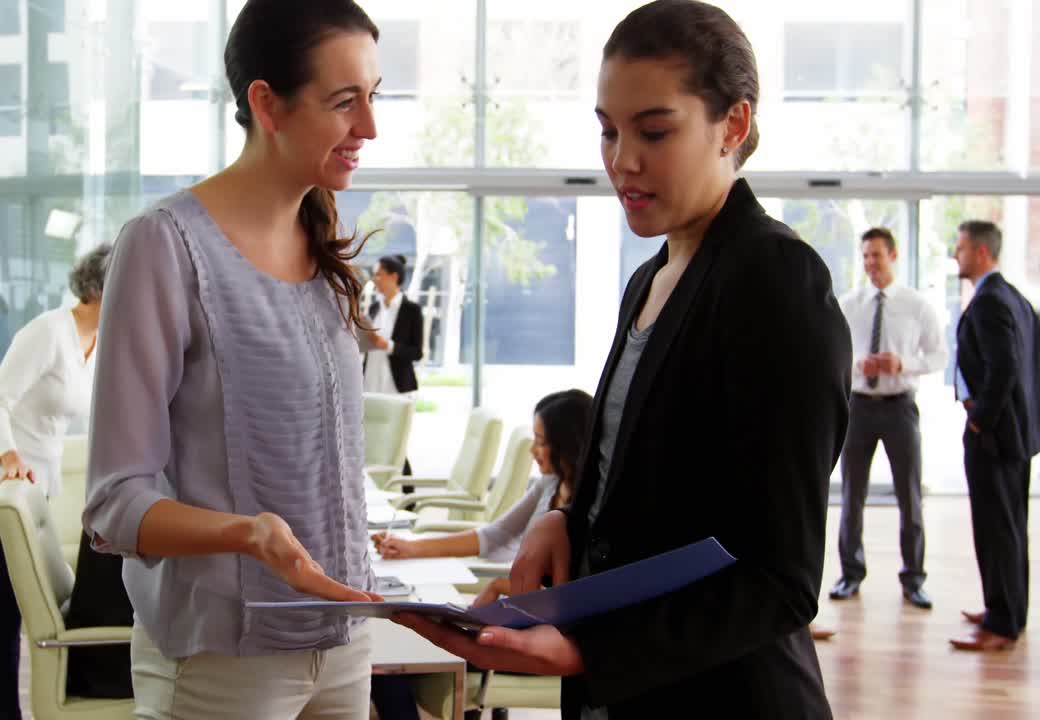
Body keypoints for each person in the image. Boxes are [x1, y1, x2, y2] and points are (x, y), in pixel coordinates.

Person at [391, 2, 851, 717]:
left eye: (654, 131)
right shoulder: (651, 277)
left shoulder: (773, 280)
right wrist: (564, 520)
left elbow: (780, 577)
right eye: (608, 130)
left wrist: (593, 650)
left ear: (732, 124)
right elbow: (645, 489)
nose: (621, 160)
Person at [80, 2, 384, 718]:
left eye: (374, 96)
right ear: (267, 104)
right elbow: (112, 503)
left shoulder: (324, 241)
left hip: (343, 644)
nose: (369, 126)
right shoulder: (163, 247)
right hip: (222, 659)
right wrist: (247, 533)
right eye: (345, 102)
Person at [0, 244, 110, 720]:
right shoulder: (48, 332)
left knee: (35, 607)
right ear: (99, 289)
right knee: (4, 612)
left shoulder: (100, 343)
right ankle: (4, 714)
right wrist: (10, 457)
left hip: (37, 488)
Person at [372, 389, 594, 608]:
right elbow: (495, 535)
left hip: (541, 617)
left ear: (567, 446)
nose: (532, 450)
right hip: (521, 605)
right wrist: (410, 548)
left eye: (541, 442)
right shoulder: (550, 484)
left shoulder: (589, 507)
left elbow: (565, 598)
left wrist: (499, 586)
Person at [830, 227, 947, 609]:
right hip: (859, 406)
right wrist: (855, 365)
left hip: (899, 406)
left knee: (910, 497)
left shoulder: (916, 305)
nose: (869, 263)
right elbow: (832, 355)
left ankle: (914, 579)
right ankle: (850, 574)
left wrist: (903, 364)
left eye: (876, 256)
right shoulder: (849, 304)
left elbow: (938, 357)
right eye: (865, 256)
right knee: (852, 496)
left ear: (893, 256)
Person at [949, 220, 1038, 652]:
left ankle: (1001, 625)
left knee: (996, 529)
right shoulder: (1015, 298)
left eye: (961, 247)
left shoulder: (989, 301)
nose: (955, 254)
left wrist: (979, 419)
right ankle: (1007, 611)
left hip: (995, 437)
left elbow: (1003, 368)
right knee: (1010, 528)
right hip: (1016, 437)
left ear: (981, 252)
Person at [363, 254, 425, 396]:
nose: (374, 279)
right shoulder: (374, 308)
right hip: (369, 384)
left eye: (378, 275)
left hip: (396, 387)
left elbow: (417, 353)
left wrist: (387, 345)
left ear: (394, 277)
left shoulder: (412, 310)